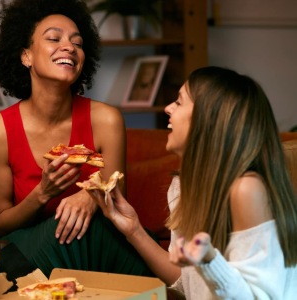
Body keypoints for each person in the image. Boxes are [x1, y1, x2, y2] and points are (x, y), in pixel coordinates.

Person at [87, 66, 297, 298]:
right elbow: (186, 282)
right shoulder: (181, 185)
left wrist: (208, 260)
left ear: (208, 119)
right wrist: (134, 229)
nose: (168, 108)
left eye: (179, 102)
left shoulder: (246, 189)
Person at [0, 0, 153, 277]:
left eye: (78, 42)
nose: (69, 47)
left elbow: (118, 200)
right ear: (26, 56)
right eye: (53, 38)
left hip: (96, 252)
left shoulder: (106, 120)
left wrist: (90, 196)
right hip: (31, 257)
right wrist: (43, 193)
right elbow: (1, 224)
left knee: (103, 232)